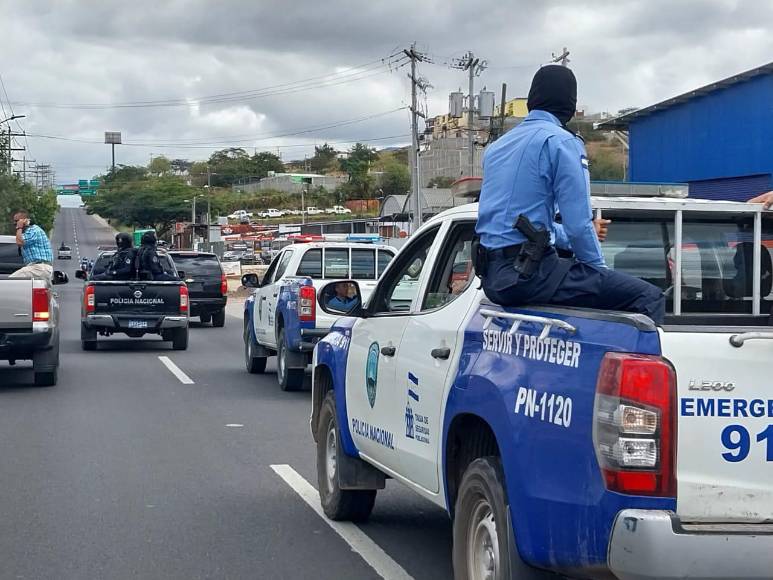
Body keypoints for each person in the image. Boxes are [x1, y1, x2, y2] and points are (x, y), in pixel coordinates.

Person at [475, 65, 665, 323]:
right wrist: (598, 272)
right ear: (570, 104)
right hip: (530, 275)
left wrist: (565, 237)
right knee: (649, 297)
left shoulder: (496, 149)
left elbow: (528, 226)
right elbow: (578, 227)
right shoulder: (562, 142)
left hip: (493, 278)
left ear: (532, 101)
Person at [9, 210, 54, 283]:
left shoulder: (34, 230)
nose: (15, 223)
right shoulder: (28, 232)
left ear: (25, 220)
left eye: (16, 221)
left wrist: (19, 228)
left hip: (39, 267)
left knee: (10, 282)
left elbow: (19, 242)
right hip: (39, 269)